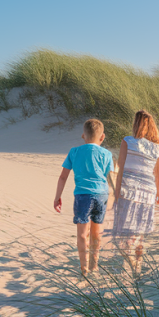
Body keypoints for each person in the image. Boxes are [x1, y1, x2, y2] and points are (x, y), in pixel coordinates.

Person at [54, 118, 113, 277]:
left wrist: (57, 197)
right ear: (102, 137)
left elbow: (62, 177)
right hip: (101, 194)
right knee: (96, 232)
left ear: (83, 136)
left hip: (82, 195)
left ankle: (84, 269)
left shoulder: (74, 151)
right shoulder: (107, 154)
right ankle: (94, 266)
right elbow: (110, 177)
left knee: (82, 233)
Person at [112, 110, 159, 277]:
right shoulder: (157, 149)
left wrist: (116, 191)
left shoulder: (127, 141)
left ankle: (131, 263)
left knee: (125, 234)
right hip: (148, 194)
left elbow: (119, 169)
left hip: (129, 192)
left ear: (136, 124)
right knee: (140, 235)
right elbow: (158, 176)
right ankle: (138, 267)